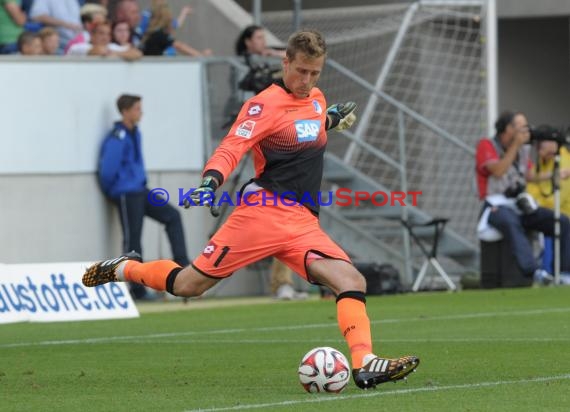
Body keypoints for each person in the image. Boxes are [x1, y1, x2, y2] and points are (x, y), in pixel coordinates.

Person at [83, 30, 419, 389]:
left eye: (315, 73)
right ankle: (125, 268)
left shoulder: (317, 99)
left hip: (302, 221)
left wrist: (331, 120)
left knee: (351, 280)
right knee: (189, 284)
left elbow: (309, 124)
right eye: (301, 71)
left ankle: (365, 363)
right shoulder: (263, 105)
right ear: (285, 62)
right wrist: (210, 182)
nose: (307, 81)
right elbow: (232, 146)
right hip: (261, 213)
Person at [96, 94, 191, 299]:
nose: (141, 112)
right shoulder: (117, 137)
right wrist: (116, 192)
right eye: (137, 108)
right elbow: (107, 172)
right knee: (133, 241)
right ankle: (136, 289)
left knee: (172, 216)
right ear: (126, 111)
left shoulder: (135, 133)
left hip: (140, 189)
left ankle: (184, 269)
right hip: (127, 193)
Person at [475, 110, 570, 278]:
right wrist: (516, 146)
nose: (527, 132)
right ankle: (532, 271)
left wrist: (555, 174)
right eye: (522, 128)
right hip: (495, 205)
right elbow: (498, 171)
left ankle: (562, 272)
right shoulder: (487, 145)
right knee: (511, 222)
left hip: (518, 203)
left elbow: (529, 175)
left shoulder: (523, 150)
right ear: (508, 129)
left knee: (561, 221)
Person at [526, 140, 570, 279]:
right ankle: (545, 271)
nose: (540, 151)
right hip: (548, 213)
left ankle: (562, 272)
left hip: (564, 214)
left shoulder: (564, 163)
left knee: (561, 222)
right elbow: (530, 189)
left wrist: (538, 201)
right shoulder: (543, 163)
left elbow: (557, 199)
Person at [140, 3, 211, 57]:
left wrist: (184, 12)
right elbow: (180, 46)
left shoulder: (156, 35)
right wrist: (201, 56)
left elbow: (176, 24)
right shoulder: (158, 35)